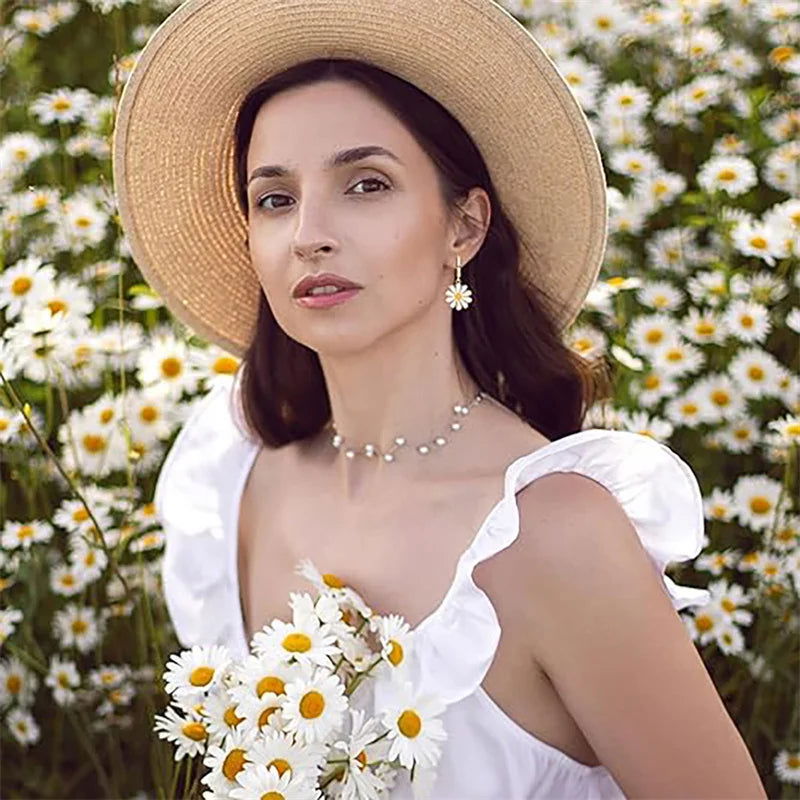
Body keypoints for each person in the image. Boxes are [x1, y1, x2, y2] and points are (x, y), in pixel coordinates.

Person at [112, 1, 768, 797]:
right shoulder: (234, 482)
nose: (309, 233)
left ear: (465, 225)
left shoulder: (554, 535)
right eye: (275, 198)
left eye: (365, 184)